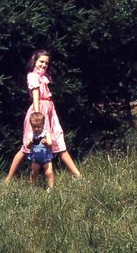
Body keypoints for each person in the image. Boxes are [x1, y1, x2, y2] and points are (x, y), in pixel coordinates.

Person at [5, 50, 82, 181]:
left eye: (46, 63)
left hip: (50, 111)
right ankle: (8, 178)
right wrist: (37, 113)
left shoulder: (44, 77)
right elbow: (36, 94)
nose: (44, 65)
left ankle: (78, 175)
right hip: (39, 111)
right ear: (34, 61)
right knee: (27, 146)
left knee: (58, 139)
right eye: (41, 61)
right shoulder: (33, 76)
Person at [26, 111, 54, 191]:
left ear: (43, 124)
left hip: (46, 158)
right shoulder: (31, 134)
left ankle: (50, 189)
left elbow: (50, 144)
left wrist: (46, 143)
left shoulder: (46, 133)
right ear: (31, 126)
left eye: (38, 126)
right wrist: (30, 143)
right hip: (35, 158)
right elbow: (27, 146)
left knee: (49, 173)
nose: (36, 129)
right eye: (34, 127)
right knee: (34, 173)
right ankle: (32, 188)